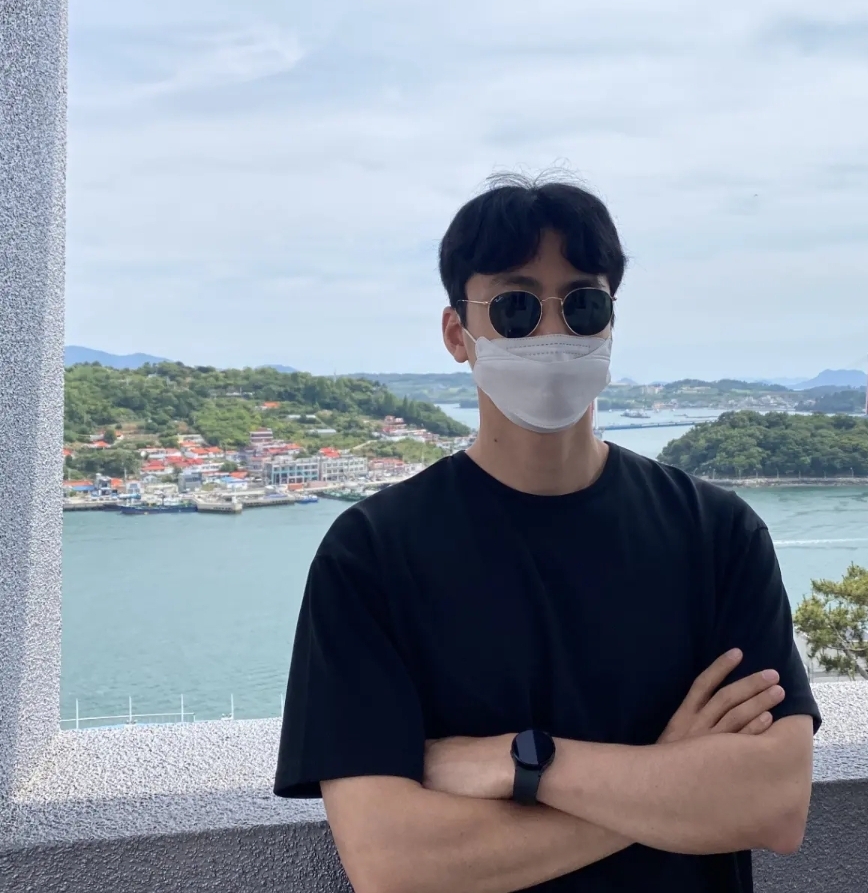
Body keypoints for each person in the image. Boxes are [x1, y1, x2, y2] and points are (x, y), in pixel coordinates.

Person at [274, 175, 821, 893]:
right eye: (516, 307)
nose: (554, 333)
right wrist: (669, 777)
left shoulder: (718, 534)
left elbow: (773, 804)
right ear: (457, 334)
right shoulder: (371, 555)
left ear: (611, 324)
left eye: (584, 304)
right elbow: (393, 863)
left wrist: (522, 763)